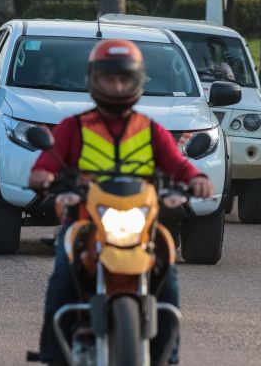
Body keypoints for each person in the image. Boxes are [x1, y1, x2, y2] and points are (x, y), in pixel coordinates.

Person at [29, 38, 214, 366]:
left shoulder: (151, 130)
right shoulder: (75, 127)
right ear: (93, 80)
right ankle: (53, 356)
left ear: (137, 81)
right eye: (108, 79)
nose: (116, 86)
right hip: (85, 221)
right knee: (61, 275)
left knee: (168, 274)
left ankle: (167, 357)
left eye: (123, 79)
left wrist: (196, 179)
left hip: (140, 224)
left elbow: (177, 163)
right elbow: (48, 160)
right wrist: (43, 176)